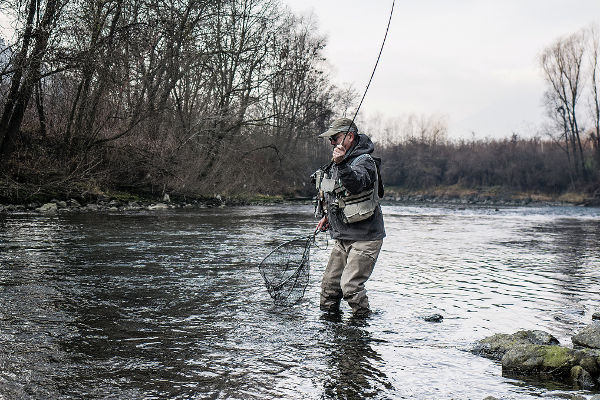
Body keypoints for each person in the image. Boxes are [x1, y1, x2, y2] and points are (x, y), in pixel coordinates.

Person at [313, 117, 385, 317]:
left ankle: (360, 330)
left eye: (334, 138)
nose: (331, 143)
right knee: (329, 288)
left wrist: (342, 163)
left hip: (366, 237)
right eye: (330, 140)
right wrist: (327, 215)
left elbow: (355, 185)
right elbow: (336, 195)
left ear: (349, 137)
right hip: (343, 236)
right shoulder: (338, 162)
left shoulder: (366, 162)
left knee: (350, 287)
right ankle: (329, 332)